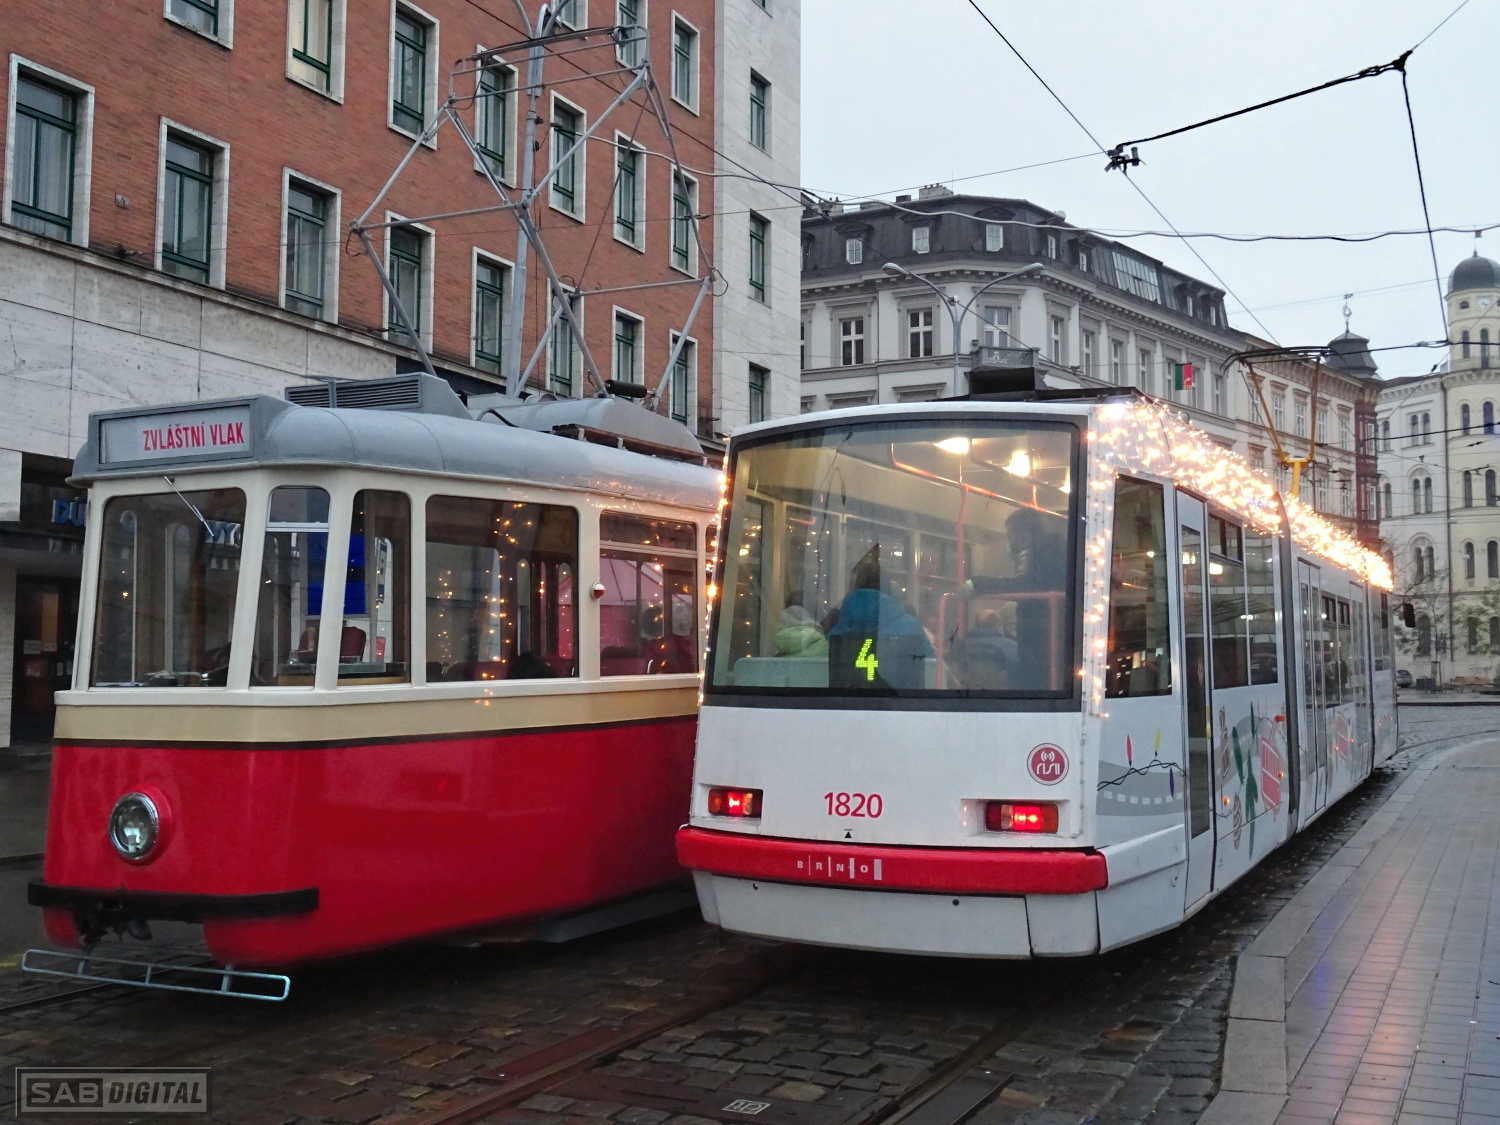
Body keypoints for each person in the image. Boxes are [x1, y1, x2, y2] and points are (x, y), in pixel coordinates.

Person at [964, 506, 1067, 690]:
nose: (1010, 541)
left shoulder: (1030, 552)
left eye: (1010, 535)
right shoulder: (1058, 553)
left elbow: (1022, 584)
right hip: (1058, 634)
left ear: (1023, 533)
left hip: (1035, 638)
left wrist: (977, 583)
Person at [827, 544, 932, 688]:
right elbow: (932, 668)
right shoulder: (912, 627)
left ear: (854, 586)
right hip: (900, 700)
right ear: (887, 587)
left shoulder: (835, 626)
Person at [775, 593, 828, 658]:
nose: (825, 613)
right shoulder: (822, 644)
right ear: (814, 614)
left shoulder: (780, 640)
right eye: (821, 610)